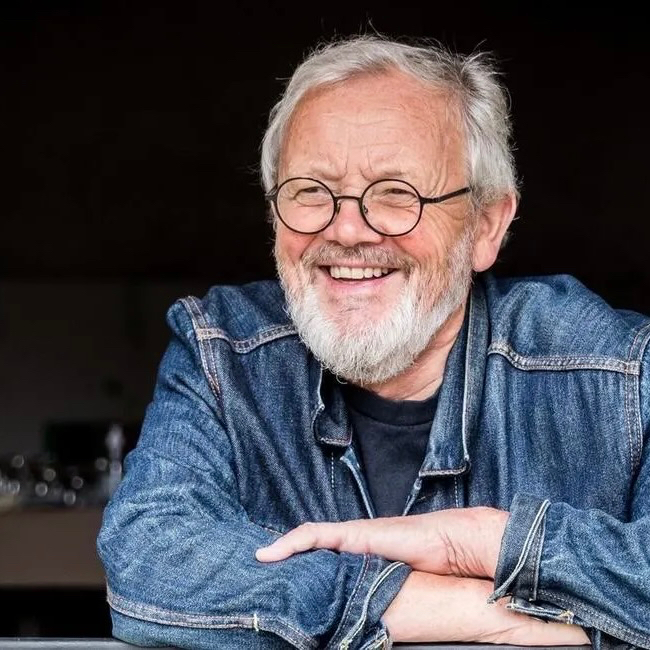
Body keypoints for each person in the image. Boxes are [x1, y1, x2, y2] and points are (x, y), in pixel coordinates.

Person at [97, 35, 650, 650]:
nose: (347, 230)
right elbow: (147, 556)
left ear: (485, 225)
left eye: (396, 194)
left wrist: (479, 543)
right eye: (311, 191)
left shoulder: (619, 371)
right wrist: (430, 604)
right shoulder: (223, 354)